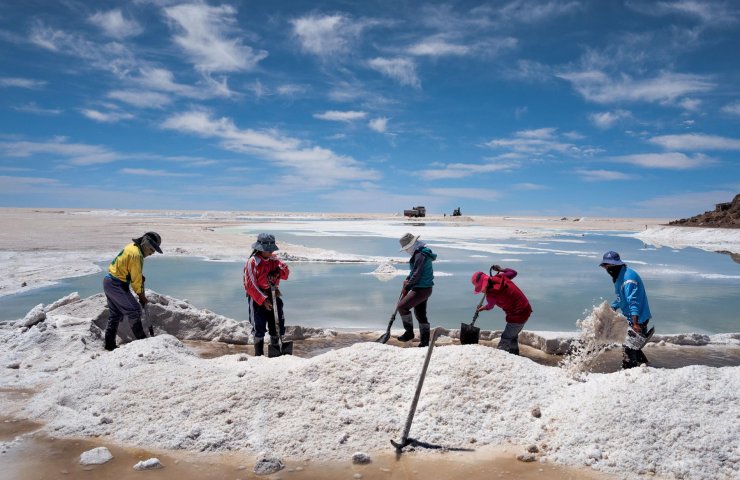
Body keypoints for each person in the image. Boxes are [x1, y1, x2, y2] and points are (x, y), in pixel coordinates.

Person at [103, 232, 163, 351]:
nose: (152, 253)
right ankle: (143, 342)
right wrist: (141, 296)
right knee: (134, 311)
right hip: (117, 284)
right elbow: (136, 280)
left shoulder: (132, 247)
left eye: (154, 250)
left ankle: (109, 345)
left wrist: (139, 276)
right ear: (145, 243)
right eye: (151, 249)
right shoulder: (137, 255)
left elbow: (130, 269)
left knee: (115, 315)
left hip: (109, 281)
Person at [600, 251, 653, 369]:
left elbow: (633, 302)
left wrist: (635, 324)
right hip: (631, 318)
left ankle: (629, 372)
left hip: (638, 320)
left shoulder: (628, 279)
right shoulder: (619, 276)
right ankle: (646, 366)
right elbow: (622, 298)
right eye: (606, 267)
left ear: (617, 265)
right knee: (634, 347)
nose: (608, 270)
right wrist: (612, 308)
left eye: (609, 267)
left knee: (628, 350)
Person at [243, 233, 290, 356]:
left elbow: (286, 275)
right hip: (257, 298)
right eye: (267, 250)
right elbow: (250, 285)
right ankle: (259, 355)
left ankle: (276, 352)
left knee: (277, 323)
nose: (270, 252)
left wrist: (279, 272)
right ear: (259, 249)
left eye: (271, 250)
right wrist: (263, 300)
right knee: (258, 326)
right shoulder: (252, 262)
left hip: (274, 295)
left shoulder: (274, 260)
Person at [471, 265, 532, 355]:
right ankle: (514, 354)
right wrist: (501, 269)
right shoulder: (500, 276)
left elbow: (490, 306)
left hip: (517, 315)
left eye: (481, 289)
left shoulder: (491, 295)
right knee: (512, 336)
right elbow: (514, 272)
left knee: (506, 338)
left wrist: (482, 308)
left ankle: (500, 357)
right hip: (525, 308)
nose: (482, 291)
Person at [396, 233, 437, 347]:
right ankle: (424, 342)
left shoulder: (420, 254)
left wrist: (408, 286)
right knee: (420, 314)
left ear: (411, 245)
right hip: (425, 288)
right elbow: (414, 271)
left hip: (421, 289)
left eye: (406, 248)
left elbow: (417, 273)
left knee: (402, 307)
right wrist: (408, 279)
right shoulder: (420, 253)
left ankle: (409, 333)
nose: (406, 251)